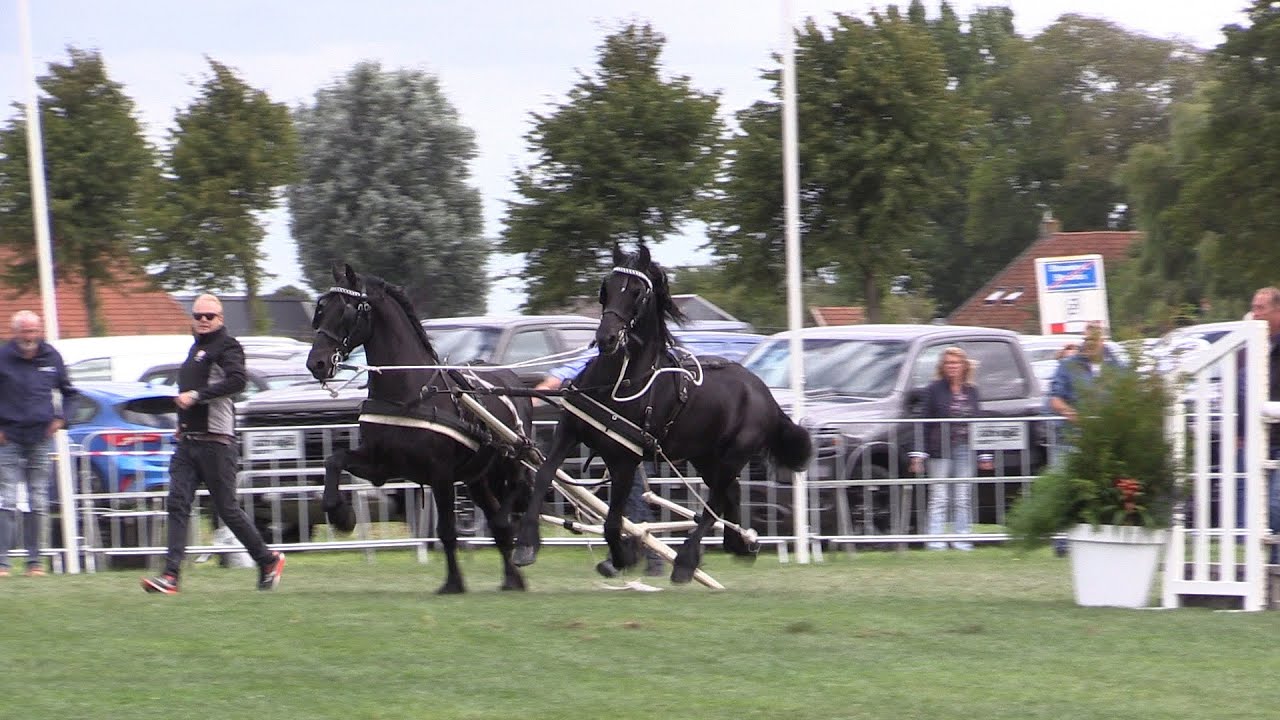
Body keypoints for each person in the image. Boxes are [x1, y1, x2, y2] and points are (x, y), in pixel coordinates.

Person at [141, 294, 285, 594]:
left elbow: (237, 381)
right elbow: (187, 393)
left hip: (217, 444)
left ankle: (267, 559)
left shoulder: (228, 347)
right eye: (198, 316)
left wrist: (197, 396)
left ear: (221, 319)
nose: (203, 320)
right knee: (177, 503)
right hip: (188, 444)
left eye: (210, 316)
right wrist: (182, 422)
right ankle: (170, 576)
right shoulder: (195, 350)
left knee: (227, 510)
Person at [535, 354, 665, 577]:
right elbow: (559, 377)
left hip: (628, 443)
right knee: (632, 499)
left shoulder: (615, 361)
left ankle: (630, 559)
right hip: (615, 443)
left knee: (633, 500)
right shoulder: (599, 359)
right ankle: (648, 559)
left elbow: (561, 377)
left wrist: (539, 394)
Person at [0, 310, 77, 577]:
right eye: (25, 331)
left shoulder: (51, 356)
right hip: (8, 438)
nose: (30, 337)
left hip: (41, 438)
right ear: (16, 332)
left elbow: (70, 393)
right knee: (7, 500)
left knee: (40, 500)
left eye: (34, 331)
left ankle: (35, 563)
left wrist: (62, 419)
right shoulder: (3, 357)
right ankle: (3, 563)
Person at [908, 346, 992, 551]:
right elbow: (924, 421)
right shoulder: (933, 389)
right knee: (939, 495)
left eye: (955, 363)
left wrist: (984, 453)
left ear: (964, 366)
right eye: (948, 363)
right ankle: (935, 541)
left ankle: (962, 539)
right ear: (942, 367)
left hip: (965, 448)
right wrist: (918, 454)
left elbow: (978, 422)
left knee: (962, 495)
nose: (952, 367)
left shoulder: (972, 391)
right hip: (940, 449)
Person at [1245, 287, 1280, 564]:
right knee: (1258, 511)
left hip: (1276, 439)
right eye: (1254, 307)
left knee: (1275, 506)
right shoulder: (1252, 346)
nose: (1255, 314)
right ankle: (1267, 570)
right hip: (1259, 440)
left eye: (1261, 309)